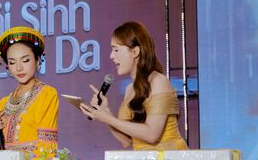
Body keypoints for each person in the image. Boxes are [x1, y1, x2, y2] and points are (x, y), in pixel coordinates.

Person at [79, 21, 188, 150]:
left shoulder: (159, 81)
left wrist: (107, 118)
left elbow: (152, 135)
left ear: (135, 51)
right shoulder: (129, 89)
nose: (111, 56)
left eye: (116, 50)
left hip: (169, 159)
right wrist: (106, 112)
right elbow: (126, 141)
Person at [0, 26, 58, 153]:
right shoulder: (3, 103)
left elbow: (47, 149)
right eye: (12, 62)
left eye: (25, 60)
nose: (19, 68)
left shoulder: (47, 94)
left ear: (37, 60)